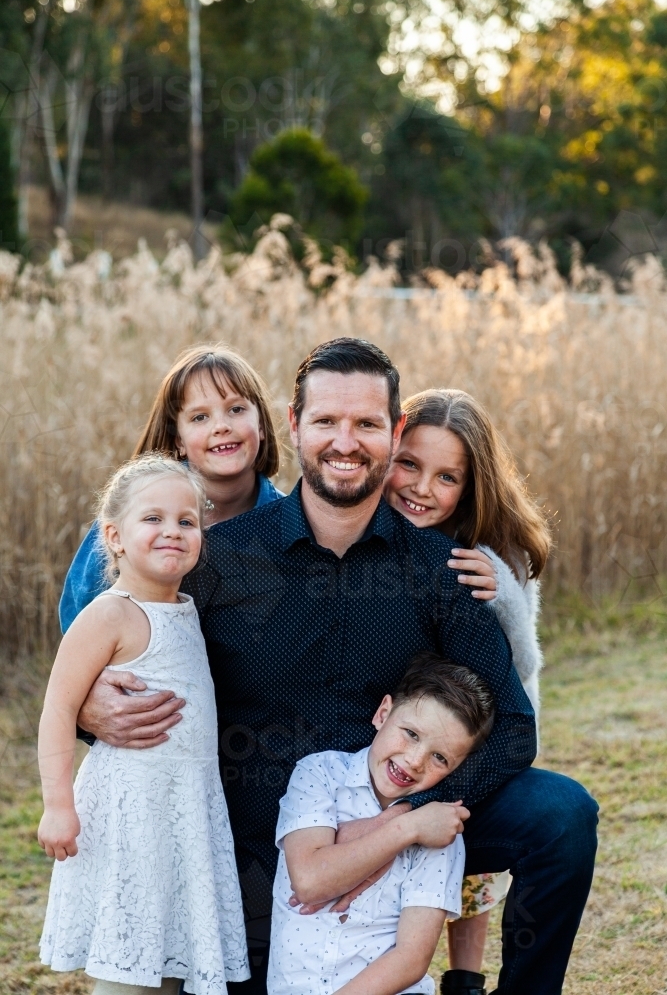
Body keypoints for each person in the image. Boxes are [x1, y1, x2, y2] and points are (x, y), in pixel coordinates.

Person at [75, 338, 598, 995]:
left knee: (561, 813)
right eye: (325, 421)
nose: (344, 442)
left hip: (400, 799)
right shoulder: (218, 560)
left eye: (366, 424)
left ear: (394, 430)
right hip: (253, 843)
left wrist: (398, 820)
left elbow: (513, 728)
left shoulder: (435, 570)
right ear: (293, 425)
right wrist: (88, 707)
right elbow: (117, 649)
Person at [38, 456, 249, 995]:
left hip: (182, 813)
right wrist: (58, 806)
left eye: (186, 521)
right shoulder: (110, 614)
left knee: (170, 959)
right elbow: (59, 709)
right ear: (115, 536)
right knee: (127, 966)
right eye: (152, 519)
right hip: (130, 816)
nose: (172, 531)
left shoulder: (188, 610)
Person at [384, 388, 552, 995]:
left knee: (471, 869)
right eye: (410, 464)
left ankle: (465, 979)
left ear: (472, 484)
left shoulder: (490, 550)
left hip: (485, 731)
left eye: (446, 476)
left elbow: (527, 661)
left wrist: (502, 591)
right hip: (409, 721)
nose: (421, 488)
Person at [269, 653, 495, 995]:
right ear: (383, 713)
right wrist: (407, 828)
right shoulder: (320, 774)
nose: (415, 761)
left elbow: (410, 960)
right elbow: (310, 882)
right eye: (411, 734)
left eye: (439, 757)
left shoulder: (443, 834)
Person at [59, 344, 283, 635]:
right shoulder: (136, 508)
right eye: (199, 417)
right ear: (178, 439)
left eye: (236, 409)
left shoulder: (288, 527)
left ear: (262, 425)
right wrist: (98, 678)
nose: (221, 426)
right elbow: (80, 610)